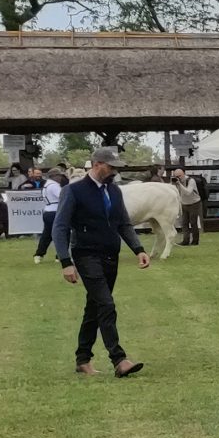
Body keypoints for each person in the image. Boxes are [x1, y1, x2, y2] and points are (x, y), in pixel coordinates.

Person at [53, 147, 150, 378]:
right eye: (111, 166)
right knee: (106, 304)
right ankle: (119, 359)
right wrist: (65, 262)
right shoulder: (73, 191)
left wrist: (139, 249)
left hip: (110, 255)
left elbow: (123, 223)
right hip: (86, 255)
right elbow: (60, 227)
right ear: (97, 164)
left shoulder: (114, 192)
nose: (115, 171)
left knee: (95, 307)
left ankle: (82, 359)